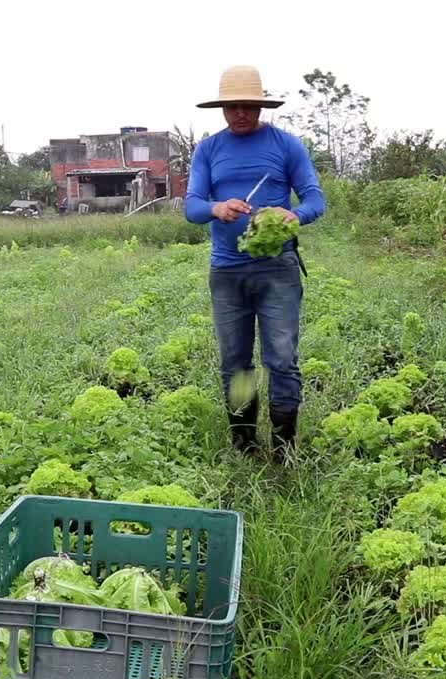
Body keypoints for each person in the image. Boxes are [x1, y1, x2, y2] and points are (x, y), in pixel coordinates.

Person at [184, 65, 326, 463]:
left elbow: (315, 198)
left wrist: (295, 216)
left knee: (281, 357)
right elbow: (192, 208)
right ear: (223, 109)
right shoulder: (208, 150)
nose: (240, 113)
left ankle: (284, 447)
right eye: (232, 107)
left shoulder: (286, 145)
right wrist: (217, 207)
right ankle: (244, 444)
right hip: (227, 272)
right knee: (235, 361)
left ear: (260, 106)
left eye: (248, 105)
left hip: (277, 268)